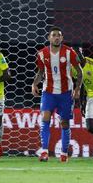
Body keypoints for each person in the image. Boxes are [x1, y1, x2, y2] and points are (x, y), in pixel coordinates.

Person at [32, 26, 83, 162]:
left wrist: (77, 89)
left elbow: (79, 72)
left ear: (62, 38)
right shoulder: (42, 54)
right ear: (49, 38)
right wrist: (34, 84)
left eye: (58, 35)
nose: (56, 37)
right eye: (53, 35)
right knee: (45, 119)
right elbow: (40, 72)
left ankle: (64, 153)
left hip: (65, 93)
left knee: (64, 123)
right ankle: (44, 152)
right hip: (48, 92)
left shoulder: (69, 52)